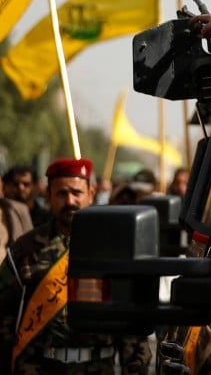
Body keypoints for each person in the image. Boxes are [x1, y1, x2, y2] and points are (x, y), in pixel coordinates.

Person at [0, 157, 151, 374]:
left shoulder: (113, 247)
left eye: (76, 193)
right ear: (49, 196)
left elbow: (131, 323)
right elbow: (4, 313)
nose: (69, 201)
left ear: (91, 193)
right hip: (40, 367)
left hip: (97, 367)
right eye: (61, 194)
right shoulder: (25, 249)